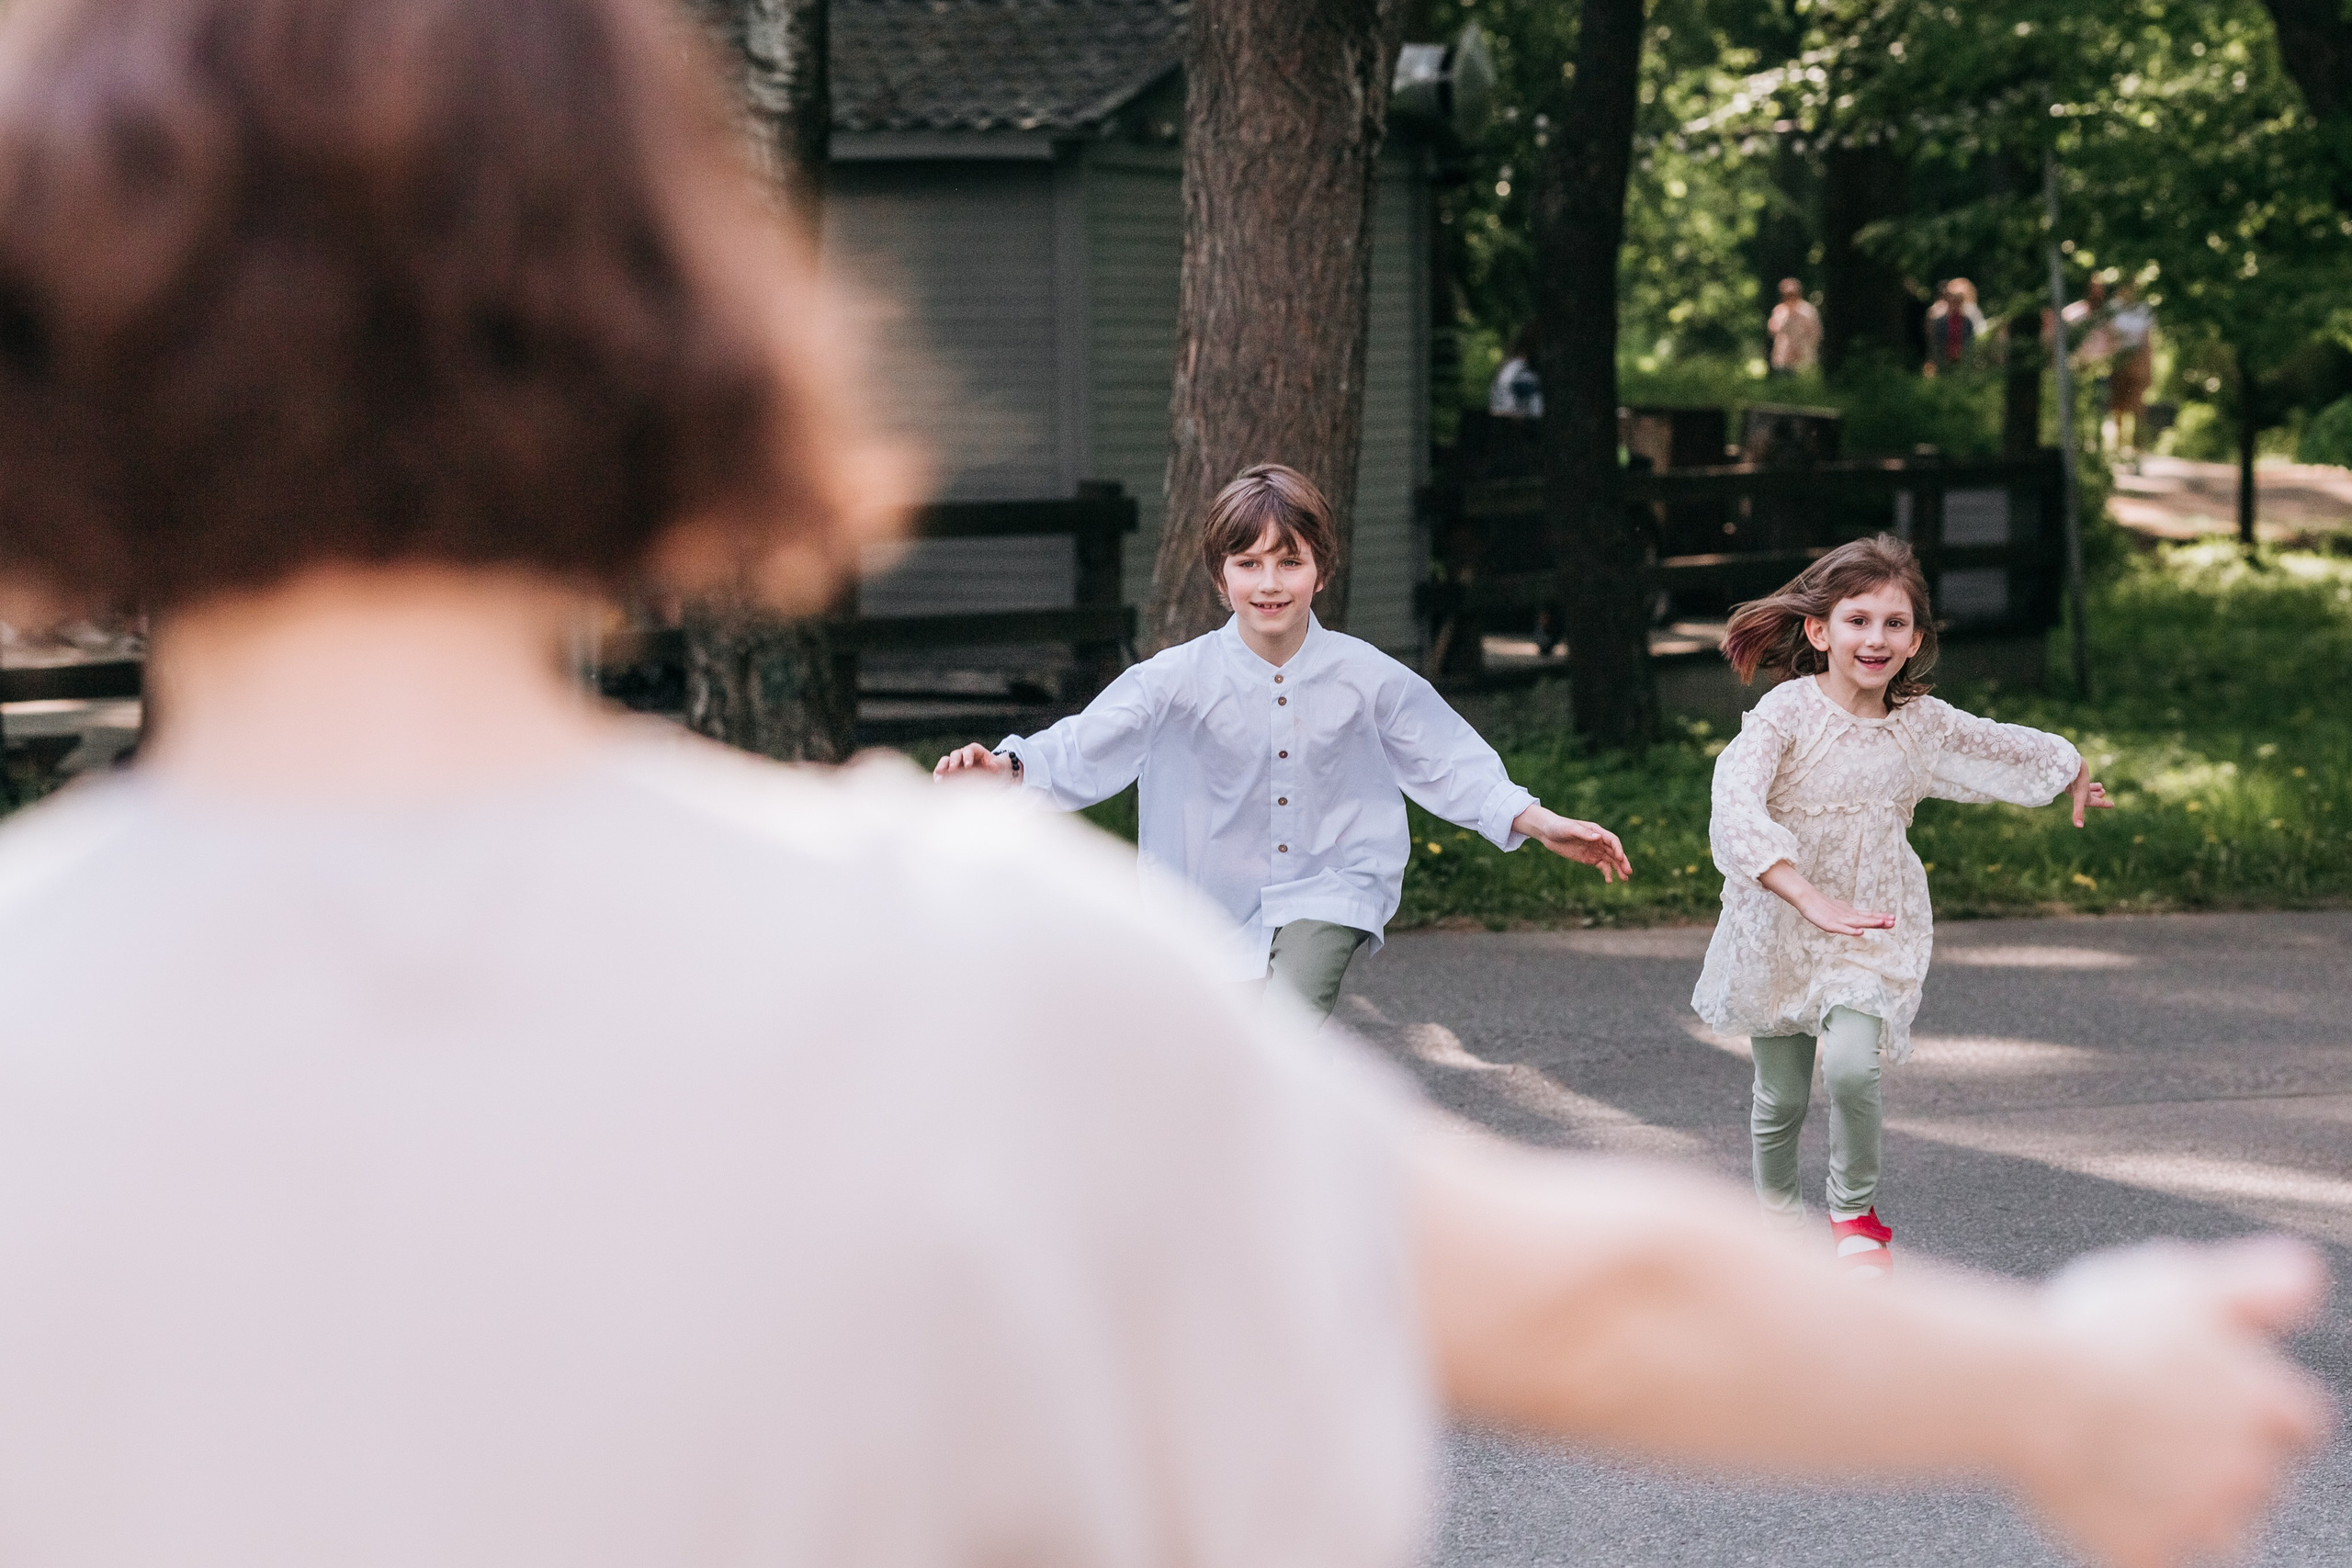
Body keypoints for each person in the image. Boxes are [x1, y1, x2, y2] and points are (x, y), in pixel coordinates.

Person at [0, 1, 2323, 1566]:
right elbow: (1581, 1292)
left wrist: (1508, 816)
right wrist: (2053, 1379)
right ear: (656, 314)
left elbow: (1420, 761)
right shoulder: (942, 954)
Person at [934, 464, 1633, 1020]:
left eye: (1289, 562)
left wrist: (1539, 823)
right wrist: (1004, 768)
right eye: (1248, 563)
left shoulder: (1367, 676)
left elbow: (1446, 759)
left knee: (1285, 1033)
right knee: (1226, 1067)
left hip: (1334, 885)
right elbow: (1088, 744)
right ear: (1220, 576)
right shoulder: (1174, 679)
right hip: (1204, 903)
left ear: (1320, 572)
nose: (1269, 583)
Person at [1696, 536, 2114, 1277]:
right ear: (1820, 631)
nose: (1876, 638)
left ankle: (1853, 1215)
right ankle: (1775, 1234)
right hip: (1780, 926)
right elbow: (1732, 804)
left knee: (1854, 1068)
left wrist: (2068, 763)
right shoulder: (1784, 716)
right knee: (1782, 1096)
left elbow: (1993, 745)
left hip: (1870, 926)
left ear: (1916, 639)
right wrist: (1803, 894)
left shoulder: (1917, 722)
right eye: (1858, 620)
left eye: (1895, 624)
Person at [2108, 283, 2156, 460]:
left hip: (2137, 363)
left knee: (2137, 408)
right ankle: (2118, 449)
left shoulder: (2144, 310)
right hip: (2118, 362)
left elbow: (2147, 338)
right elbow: (2110, 334)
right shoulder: (2113, 308)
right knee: (2117, 408)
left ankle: (2137, 451)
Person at [1923, 276, 1985, 376]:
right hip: (1943, 359)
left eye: (1958, 301)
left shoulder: (1968, 319)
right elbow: (1934, 341)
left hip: (1963, 359)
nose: (1955, 304)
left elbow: (1973, 339)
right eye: (1952, 301)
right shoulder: (1939, 319)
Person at [1766, 277, 1821, 376]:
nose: (1789, 297)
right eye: (1786, 294)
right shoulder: (1779, 311)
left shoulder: (1808, 310)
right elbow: (1772, 331)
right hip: (1783, 358)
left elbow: (1816, 333)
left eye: (1792, 294)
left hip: (1804, 358)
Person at [1487, 332, 1544, 417]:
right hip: (1510, 412)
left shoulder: (1526, 370)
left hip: (1520, 411)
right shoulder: (1515, 366)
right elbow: (1504, 384)